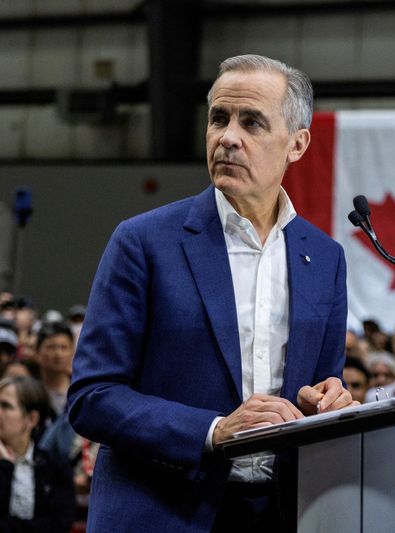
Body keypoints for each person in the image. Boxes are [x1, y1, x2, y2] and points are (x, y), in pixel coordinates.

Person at [67, 54, 355, 532]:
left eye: (252, 122)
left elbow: (325, 385)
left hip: (282, 514)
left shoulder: (324, 258)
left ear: (297, 144)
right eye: (219, 118)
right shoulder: (143, 242)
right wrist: (214, 431)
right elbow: (92, 396)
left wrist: (328, 400)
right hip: (162, 513)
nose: (228, 137)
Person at [0, 376, 74, 532]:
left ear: (31, 419)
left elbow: (59, 525)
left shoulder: (55, 466)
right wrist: (4, 467)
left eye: (5, 406)